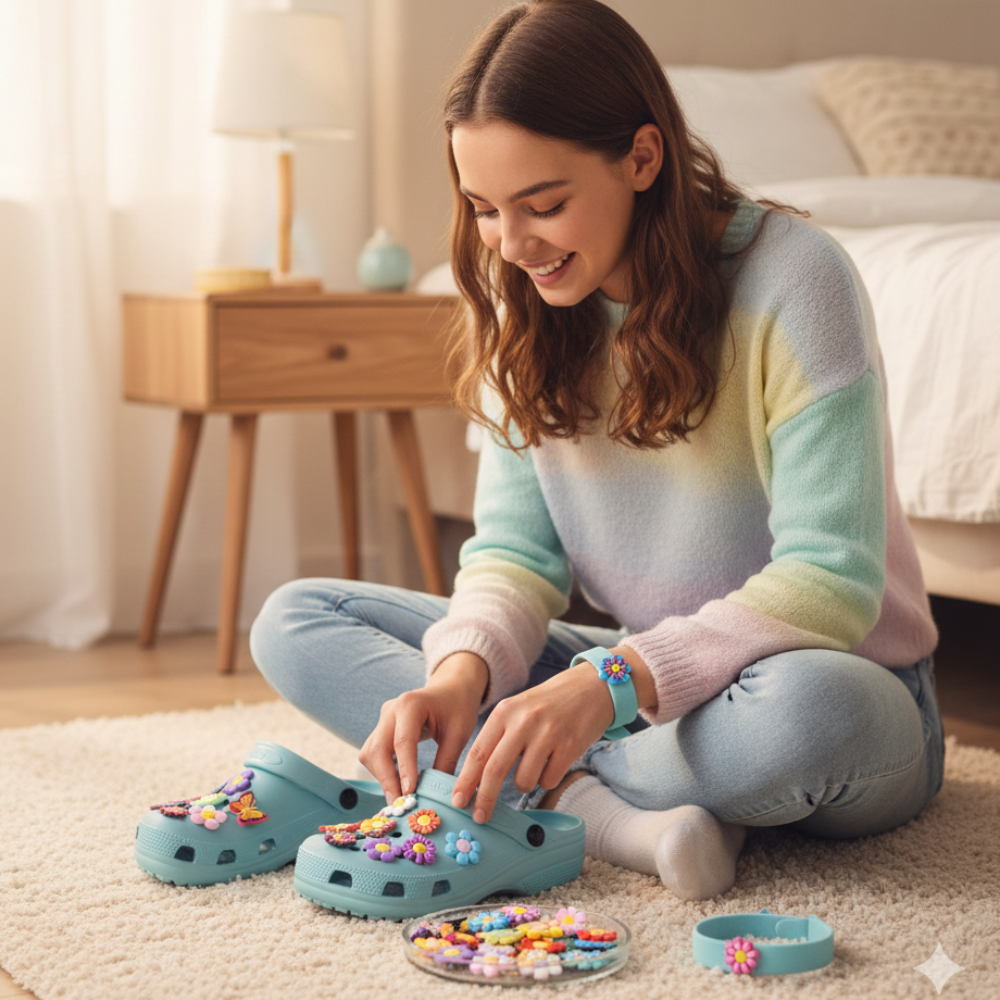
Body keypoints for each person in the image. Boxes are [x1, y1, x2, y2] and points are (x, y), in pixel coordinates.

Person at [250, 0, 943, 901]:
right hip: (644, 682)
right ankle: (617, 810)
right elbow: (512, 555)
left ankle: (543, 790)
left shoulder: (796, 279)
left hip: (832, 683)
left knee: (808, 717)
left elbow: (831, 581)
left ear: (642, 158)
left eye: (543, 205)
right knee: (297, 619)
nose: (511, 244)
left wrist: (601, 691)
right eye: (484, 209)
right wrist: (464, 673)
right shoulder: (519, 297)